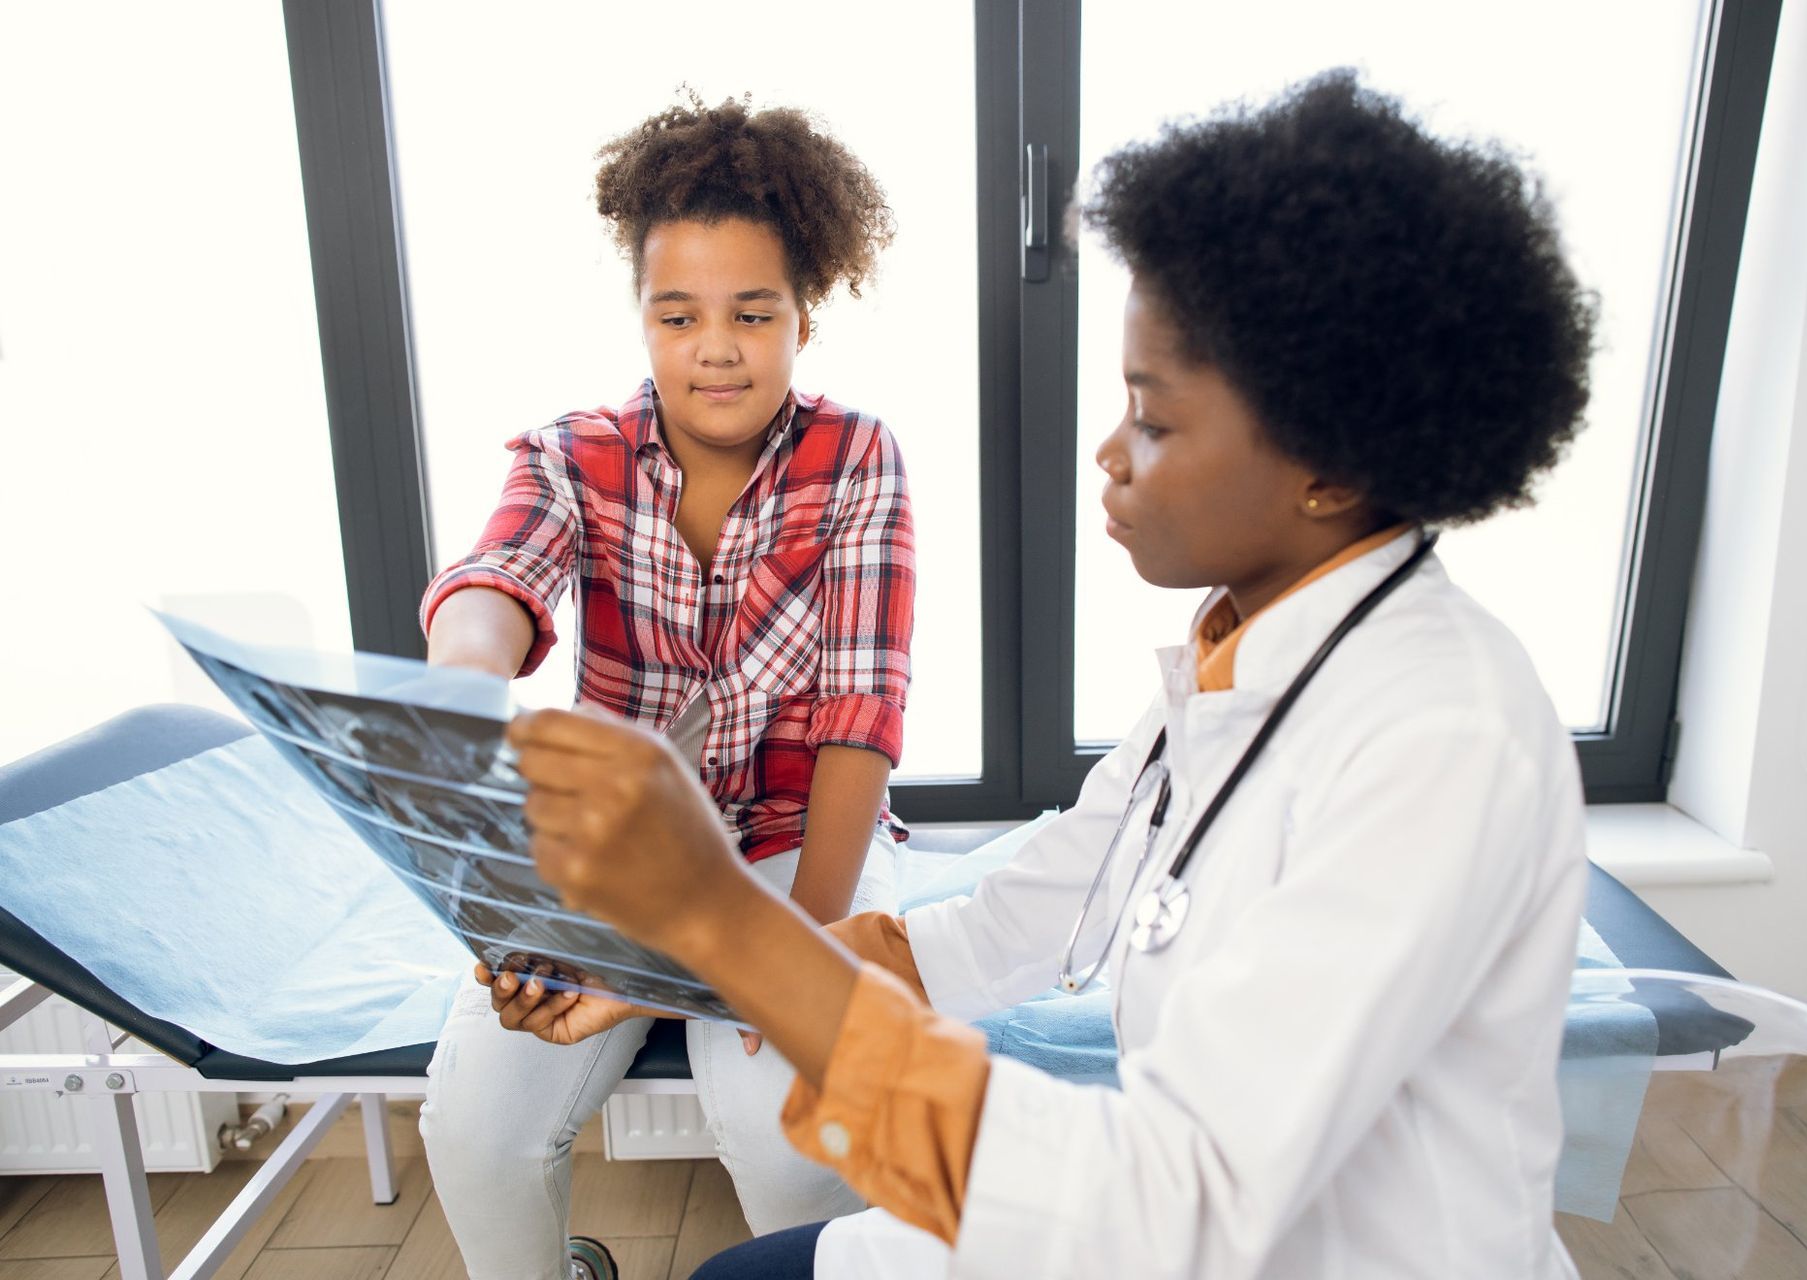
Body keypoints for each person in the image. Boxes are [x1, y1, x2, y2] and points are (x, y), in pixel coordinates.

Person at [505, 70, 1597, 1278]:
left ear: (1330, 466)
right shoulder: (1252, 652)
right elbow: (1022, 913)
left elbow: (1177, 1201)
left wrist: (719, 913)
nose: (1108, 451)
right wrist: (694, 961)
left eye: (1155, 419)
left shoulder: (1439, 734)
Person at [414, 95, 914, 1279]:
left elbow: (857, 721)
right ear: (641, 316)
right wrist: (464, 679)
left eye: (753, 312)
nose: (716, 346)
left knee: (788, 1138)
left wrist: (805, 944)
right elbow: (497, 577)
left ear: (806, 313)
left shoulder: (860, 460)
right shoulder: (568, 453)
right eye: (677, 314)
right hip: (625, 847)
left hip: (799, 839)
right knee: (474, 1128)